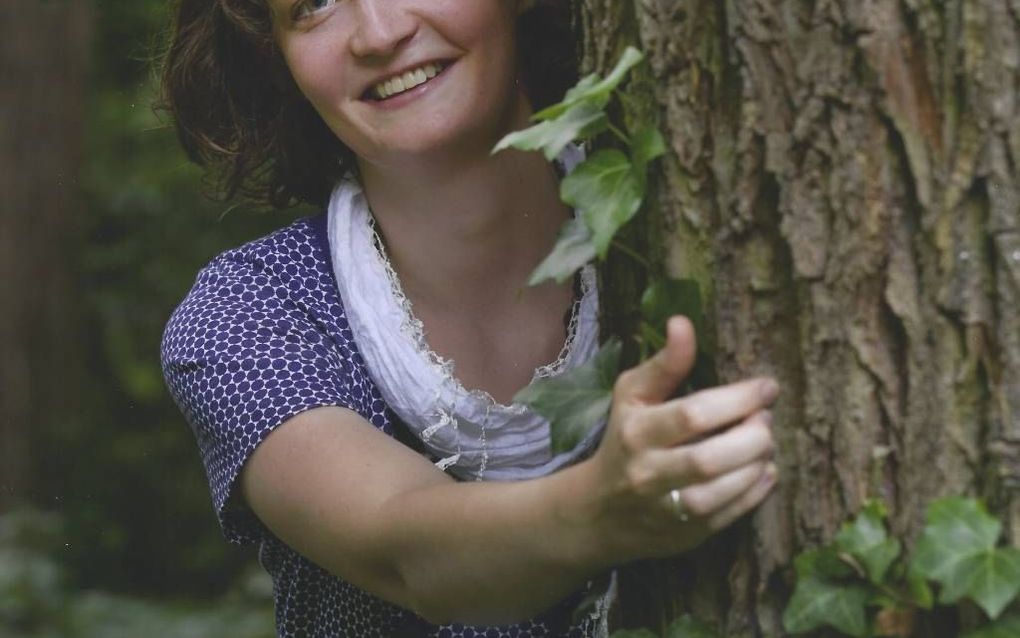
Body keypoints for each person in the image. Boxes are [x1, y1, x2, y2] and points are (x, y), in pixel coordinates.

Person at [159, 0, 779, 636]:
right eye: (313, 5)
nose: (380, 32)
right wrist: (601, 510)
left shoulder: (680, 219)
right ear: (275, 56)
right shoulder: (250, 314)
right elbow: (407, 557)